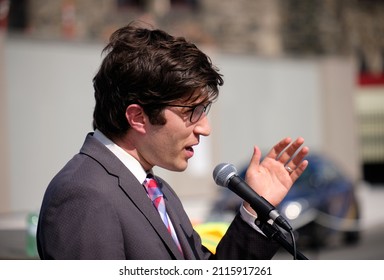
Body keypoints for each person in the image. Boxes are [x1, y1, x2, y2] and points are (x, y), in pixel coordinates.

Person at [36, 22, 309, 260]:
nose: (205, 128)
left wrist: (254, 210)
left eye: (204, 111)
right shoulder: (83, 195)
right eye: (192, 112)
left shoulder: (156, 189)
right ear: (138, 117)